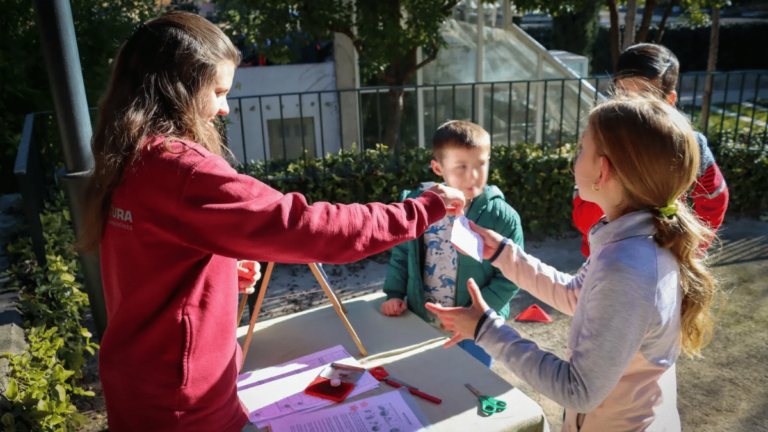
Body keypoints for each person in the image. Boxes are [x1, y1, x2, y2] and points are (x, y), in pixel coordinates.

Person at [77, 12, 465, 432]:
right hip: (185, 407)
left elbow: (151, 263)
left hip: (139, 389)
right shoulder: (181, 170)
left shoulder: (129, 157)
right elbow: (307, 226)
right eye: (218, 91)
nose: (224, 108)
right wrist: (423, 208)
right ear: (182, 87)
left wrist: (218, 272)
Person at [427, 96, 721, 431]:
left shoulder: (628, 269)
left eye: (582, 149)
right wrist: (503, 254)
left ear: (603, 170)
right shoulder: (626, 239)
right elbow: (574, 295)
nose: (574, 159)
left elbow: (578, 391)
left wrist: (486, 330)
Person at [381, 120, 524, 368]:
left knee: (474, 380)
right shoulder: (419, 208)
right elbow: (402, 254)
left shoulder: (502, 216)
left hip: (478, 326)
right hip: (423, 318)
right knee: (433, 379)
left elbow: (511, 275)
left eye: (481, 164)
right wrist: (394, 294)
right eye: (461, 167)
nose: (474, 175)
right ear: (438, 168)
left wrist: (476, 314)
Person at [573, 43, 729, 257]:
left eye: (645, 93)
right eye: (622, 92)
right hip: (604, 257)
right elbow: (582, 216)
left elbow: (716, 196)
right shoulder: (599, 141)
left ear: (669, 100)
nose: (630, 103)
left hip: (663, 255)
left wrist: (693, 250)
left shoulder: (688, 144)